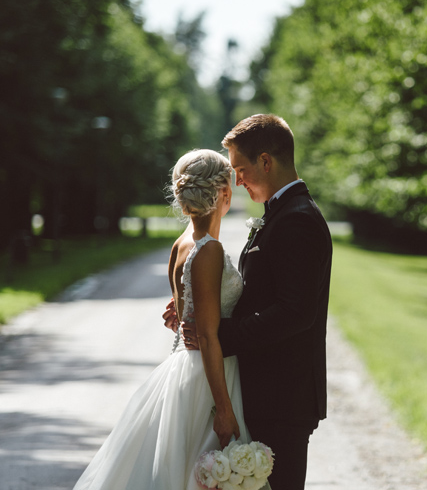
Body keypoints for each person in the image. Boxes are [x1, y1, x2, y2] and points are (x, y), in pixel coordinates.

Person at [73, 149, 261, 489]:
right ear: (225, 193)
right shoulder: (209, 249)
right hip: (208, 374)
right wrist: (223, 408)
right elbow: (205, 334)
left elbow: (189, 307)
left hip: (185, 368)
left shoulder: (182, 243)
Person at [179, 114, 332, 490]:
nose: (237, 180)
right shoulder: (280, 214)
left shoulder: (297, 219)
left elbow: (295, 312)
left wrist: (220, 334)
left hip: (283, 395)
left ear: (266, 161)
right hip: (264, 391)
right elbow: (260, 292)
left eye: (241, 169)